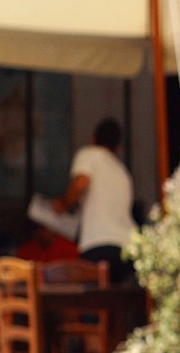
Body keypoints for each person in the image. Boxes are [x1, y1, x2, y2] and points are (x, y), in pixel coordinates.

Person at [55, 118, 136, 284]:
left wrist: (63, 204)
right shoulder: (123, 173)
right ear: (118, 148)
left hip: (98, 244)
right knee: (119, 305)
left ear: (93, 140)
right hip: (128, 247)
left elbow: (80, 184)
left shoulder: (88, 154)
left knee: (93, 304)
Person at [14, 223, 80, 264]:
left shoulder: (70, 249)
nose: (42, 232)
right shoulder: (25, 251)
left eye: (45, 228)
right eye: (40, 228)